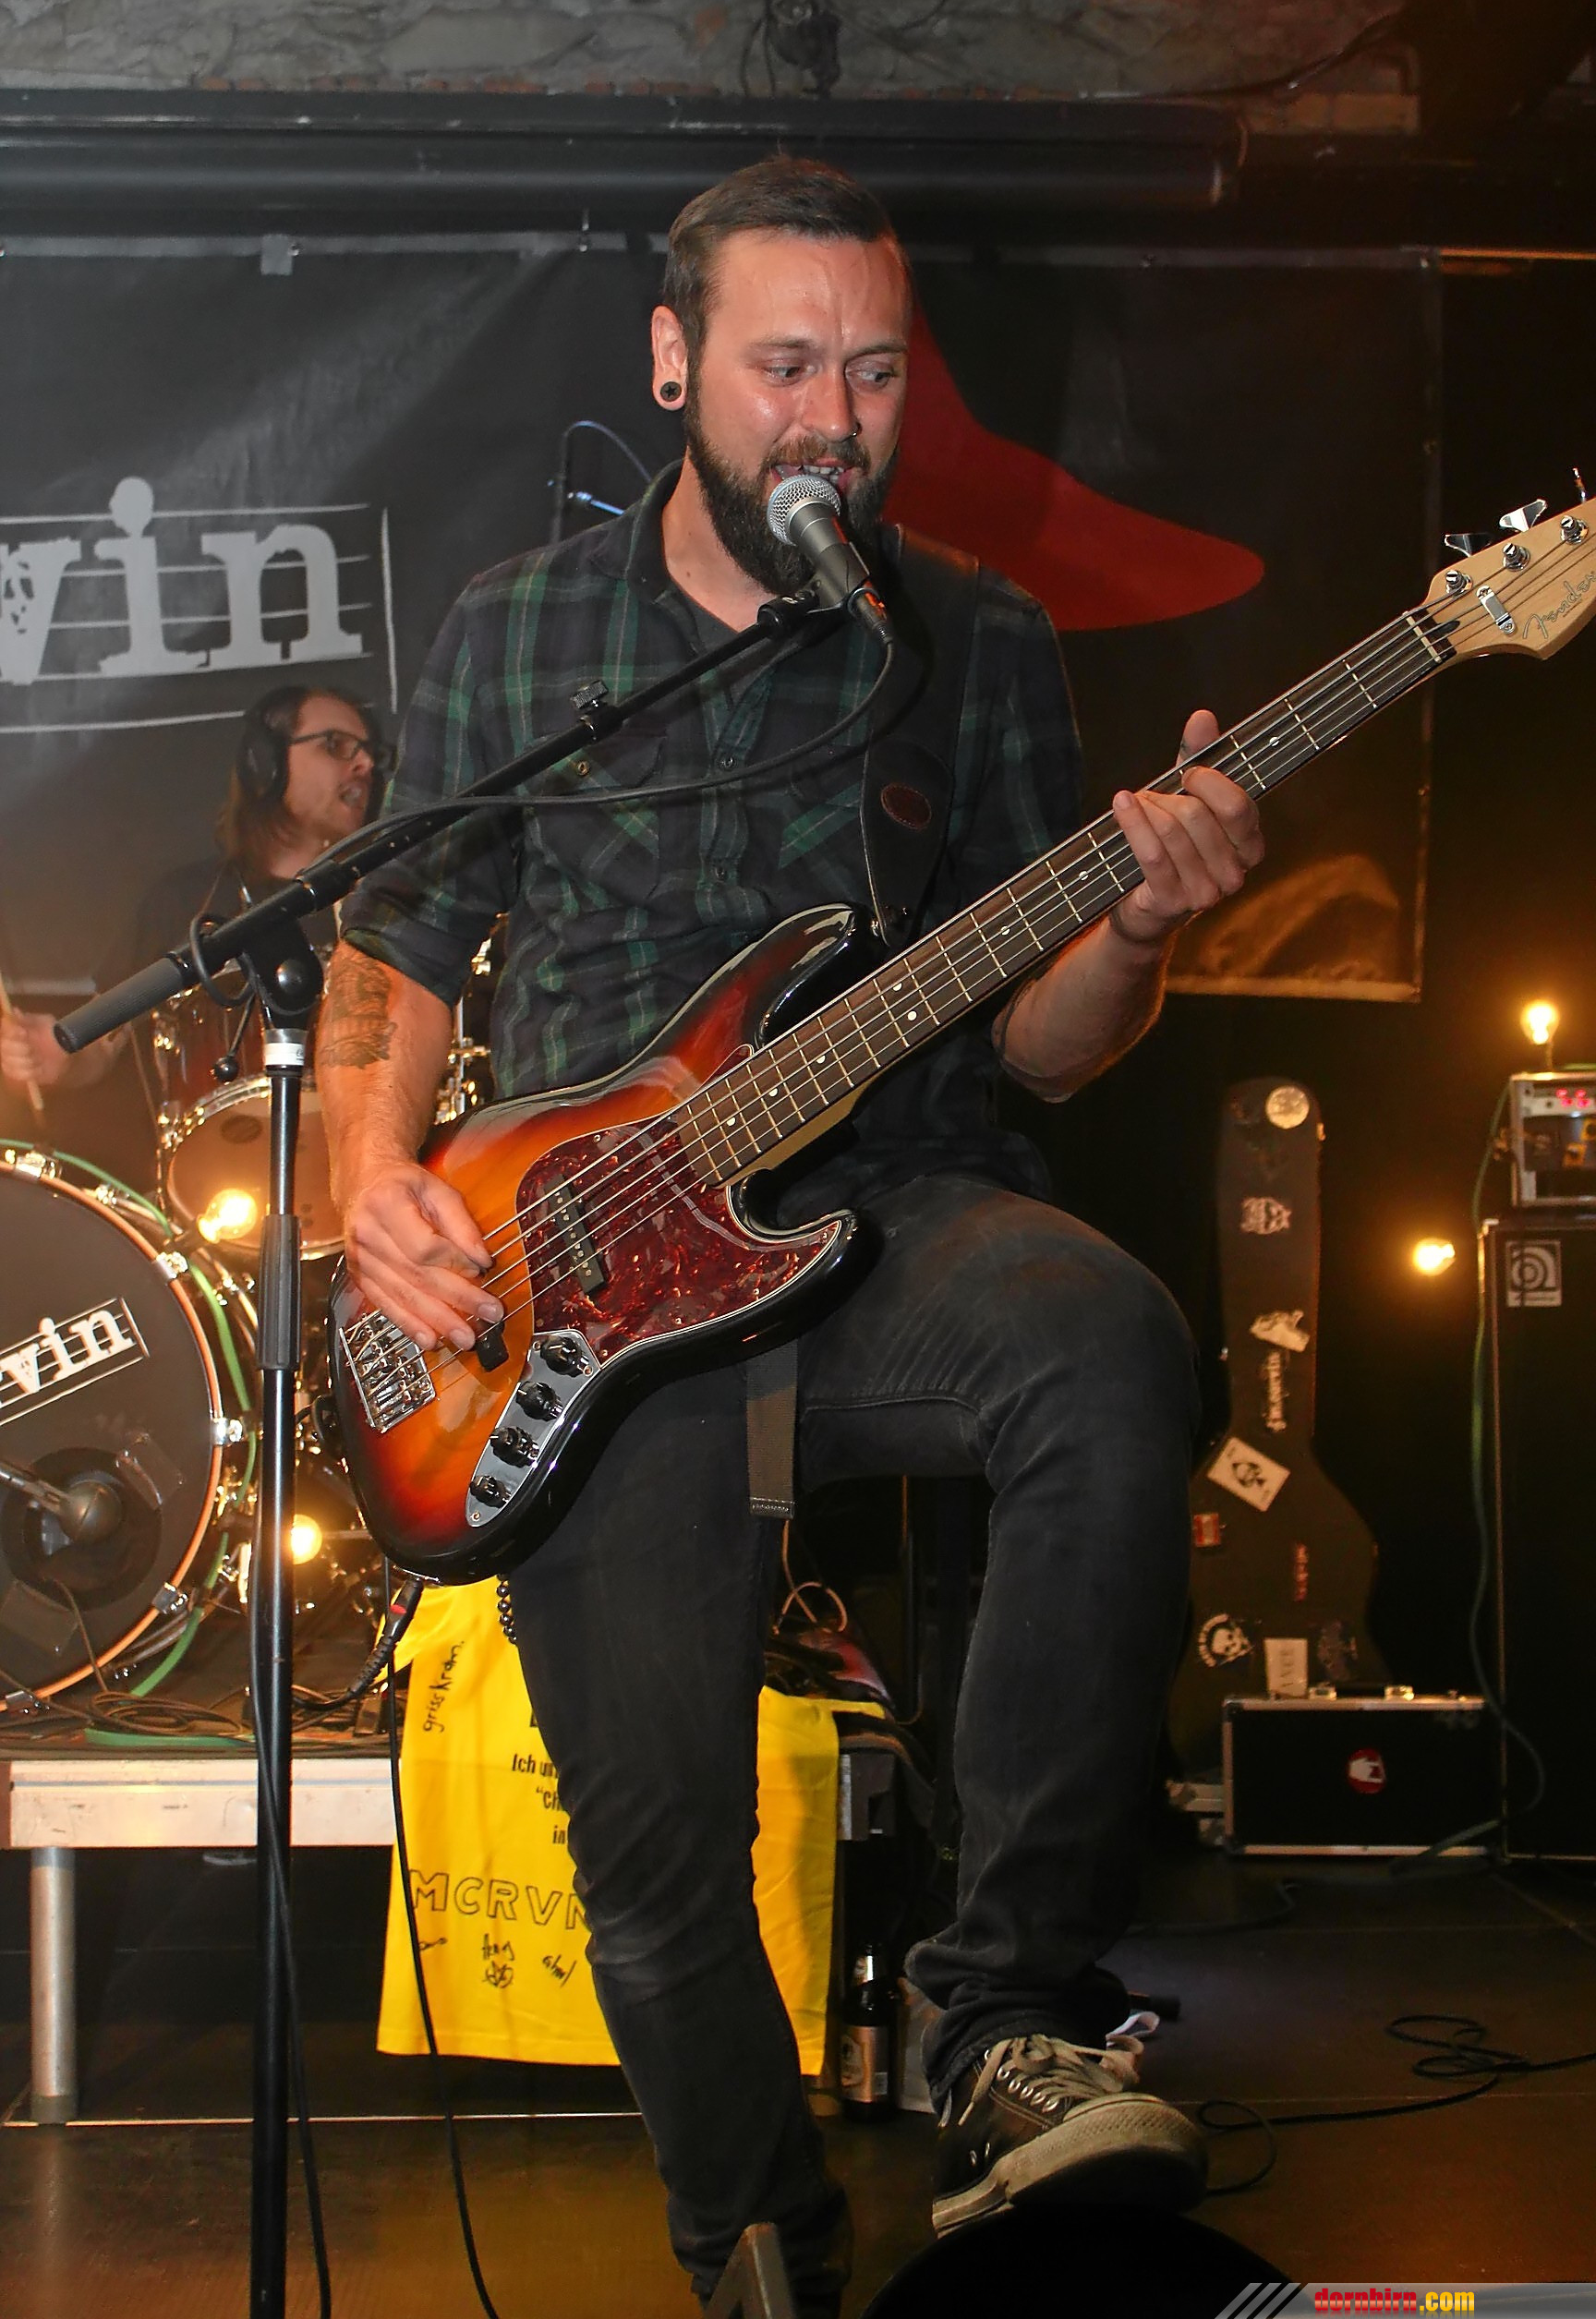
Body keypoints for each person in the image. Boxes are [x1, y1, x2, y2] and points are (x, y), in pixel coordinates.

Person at [320, 160, 1264, 2317]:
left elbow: (1042, 1043)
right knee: (651, 1838)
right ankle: (757, 2248)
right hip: (573, 1276)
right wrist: (374, 1180)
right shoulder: (518, 632)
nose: (831, 415)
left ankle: (1001, 2018)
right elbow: (396, 955)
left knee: (1104, 1343)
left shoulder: (974, 639)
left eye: (872, 370)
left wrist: (1134, 928)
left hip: (883, 1205)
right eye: (781, 365)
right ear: (672, 364)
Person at [1, 683, 383, 1118]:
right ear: (267, 764)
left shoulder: (385, 902)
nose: (366, 765)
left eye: (371, 753)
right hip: (224, 1149)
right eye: (335, 745)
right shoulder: (185, 902)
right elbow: (105, 1045)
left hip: (367, 1142)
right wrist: (59, 1054)